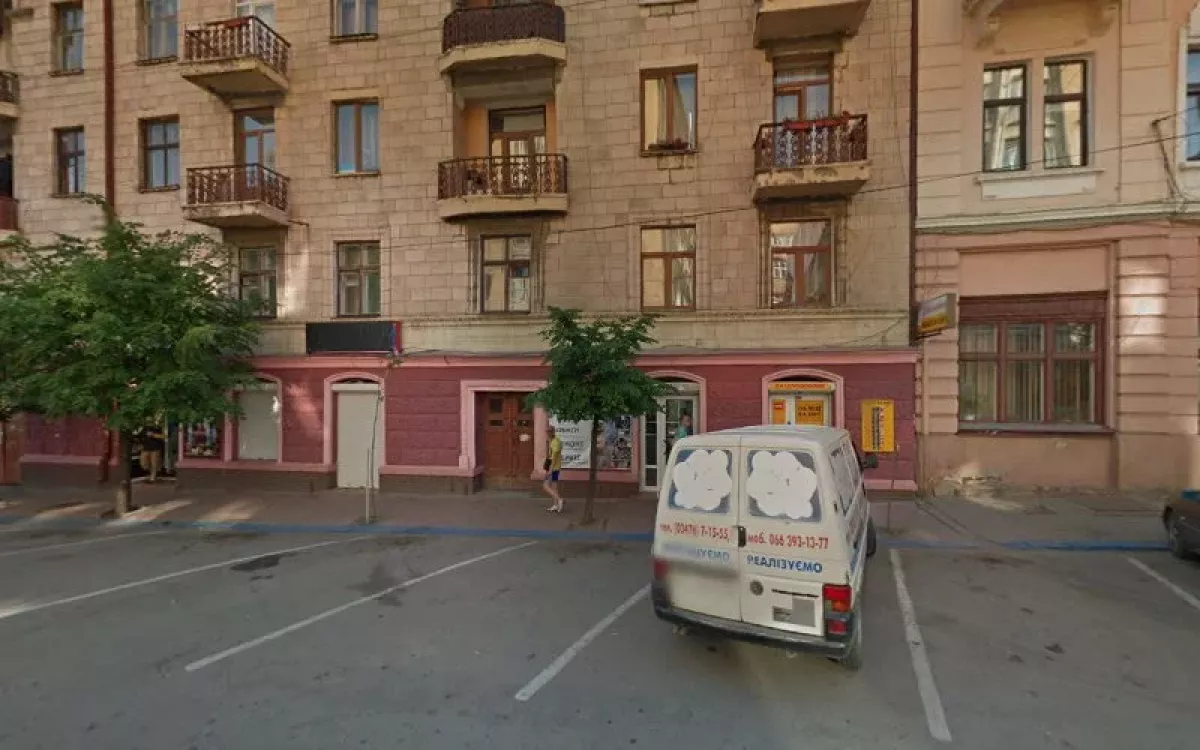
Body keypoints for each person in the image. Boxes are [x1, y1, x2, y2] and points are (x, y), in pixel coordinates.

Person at [543, 425, 564, 513]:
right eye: (547, 432)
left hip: (554, 468)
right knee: (554, 487)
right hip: (555, 467)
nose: (547, 433)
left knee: (545, 486)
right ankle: (555, 505)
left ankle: (559, 499)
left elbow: (554, 458)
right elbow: (549, 455)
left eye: (548, 432)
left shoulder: (555, 442)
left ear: (552, 432)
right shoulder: (552, 441)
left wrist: (550, 470)